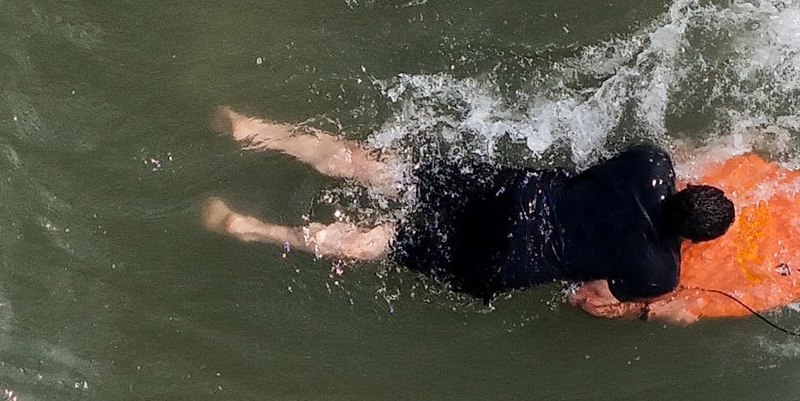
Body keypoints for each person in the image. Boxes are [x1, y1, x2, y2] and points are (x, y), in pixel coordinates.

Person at [199, 107, 736, 321]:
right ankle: (251, 227)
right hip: (505, 258)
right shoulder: (659, 271)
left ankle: (258, 131)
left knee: (381, 170)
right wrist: (646, 309)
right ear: (693, 240)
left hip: (513, 196)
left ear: (687, 189)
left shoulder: (651, 166)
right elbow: (586, 299)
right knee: (385, 240)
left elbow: (611, 165)